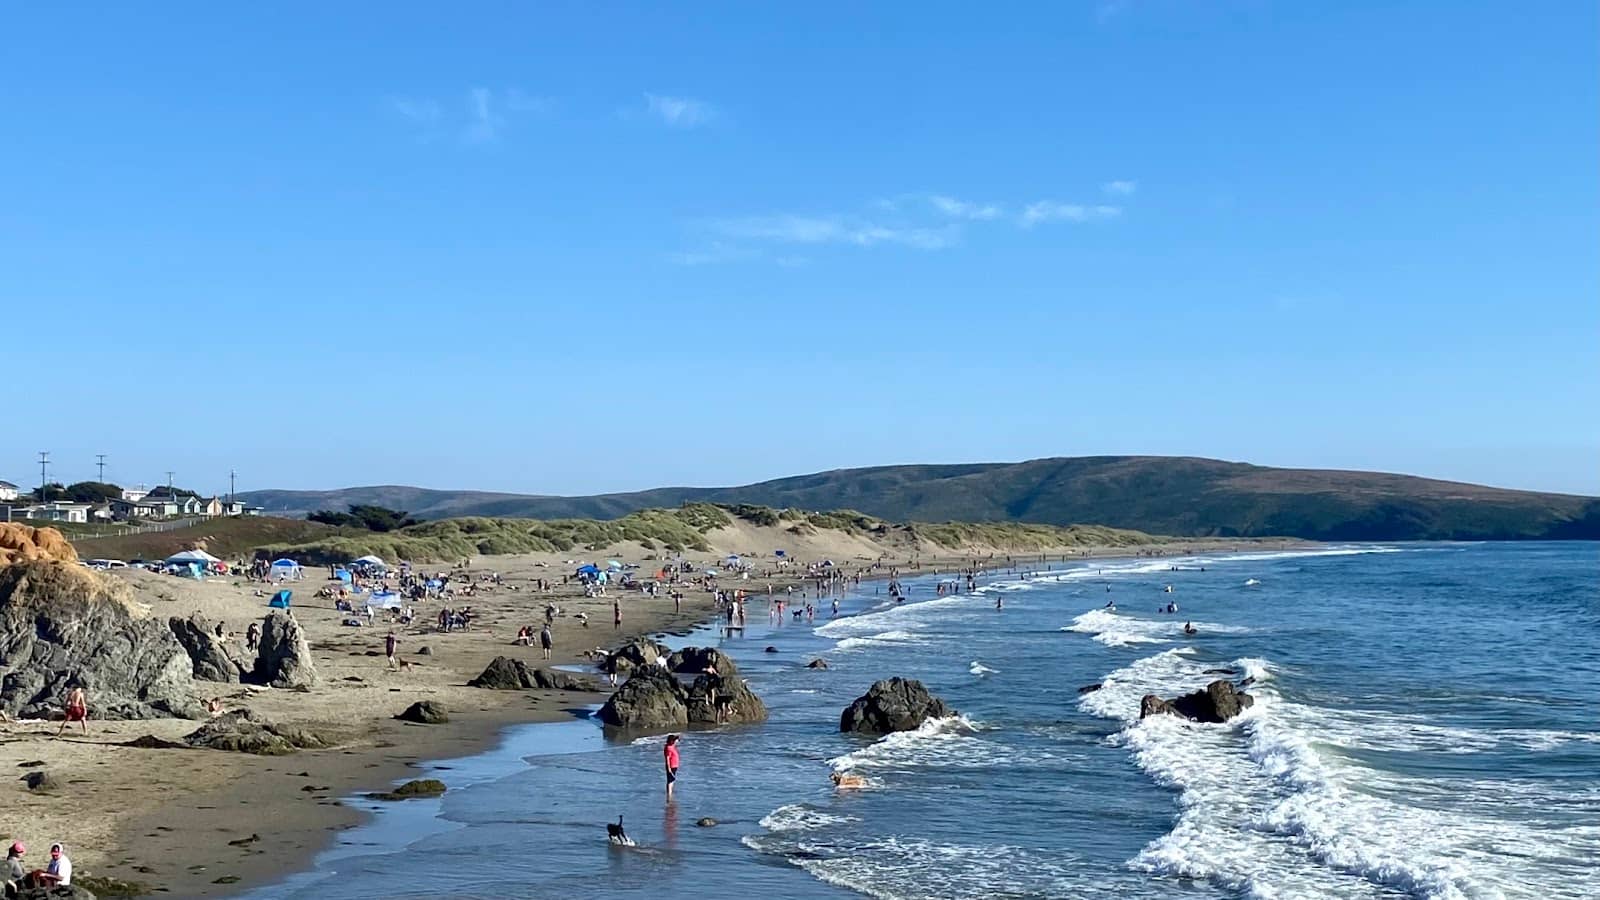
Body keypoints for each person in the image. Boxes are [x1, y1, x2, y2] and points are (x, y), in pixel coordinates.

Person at [663, 733, 681, 799]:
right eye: (673, 741)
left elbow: (677, 740)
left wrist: (678, 738)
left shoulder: (672, 746)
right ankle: (669, 795)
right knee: (670, 781)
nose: (674, 742)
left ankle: (670, 793)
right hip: (671, 766)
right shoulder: (668, 748)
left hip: (674, 765)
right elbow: (667, 759)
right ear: (670, 741)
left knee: (672, 780)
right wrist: (669, 768)